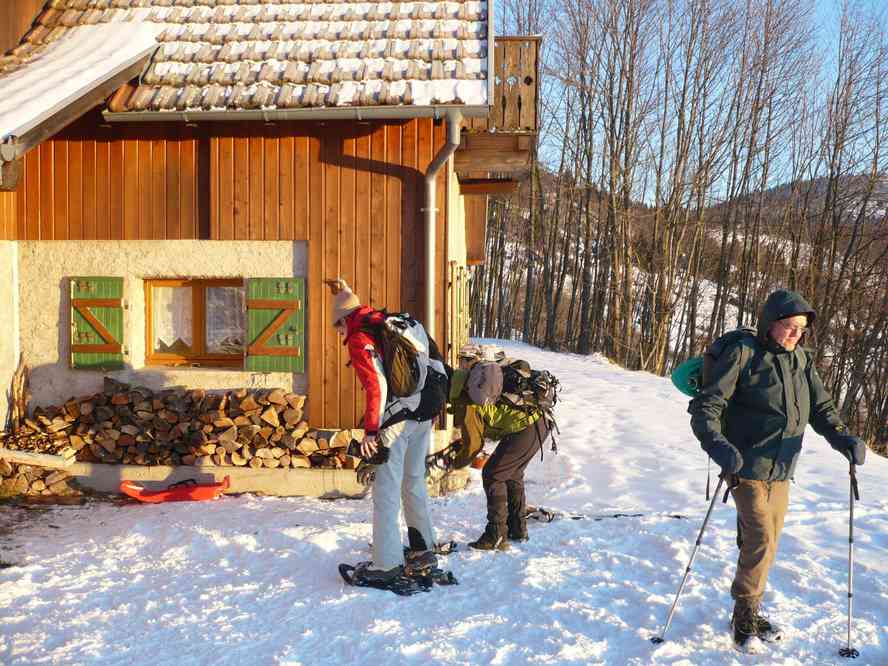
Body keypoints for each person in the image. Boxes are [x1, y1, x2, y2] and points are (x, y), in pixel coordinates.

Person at [688, 289, 868, 650]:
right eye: (787, 326)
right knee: (761, 539)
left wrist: (844, 439)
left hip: (783, 468)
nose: (794, 334)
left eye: (800, 329)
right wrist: (720, 447)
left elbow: (822, 409)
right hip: (745, 465)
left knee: (765, 542)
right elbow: (705, 407)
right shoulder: (743, 354)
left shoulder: (801, 360)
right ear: (769, 324)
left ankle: (750, 606)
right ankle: (744, 614)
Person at [326, 279, 441, 586]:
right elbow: (436, 362)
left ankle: (386, 565)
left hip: (395, 421)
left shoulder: (361, 337)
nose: (339, 334)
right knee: (413, 482)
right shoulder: (400, 324)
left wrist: (371, 432)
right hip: (424, 413)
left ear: (344, 321)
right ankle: (423, 549)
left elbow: (377, 386)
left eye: (337, 327)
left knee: (386, 491)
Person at [448, 350, 551, 550]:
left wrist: (454, 463)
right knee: (511, 474)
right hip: (540, 422)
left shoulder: (474, 401)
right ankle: (517, 528)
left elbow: (473, 446)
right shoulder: (482, 385)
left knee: (493, 474)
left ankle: (496, 534)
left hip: (529, 427)